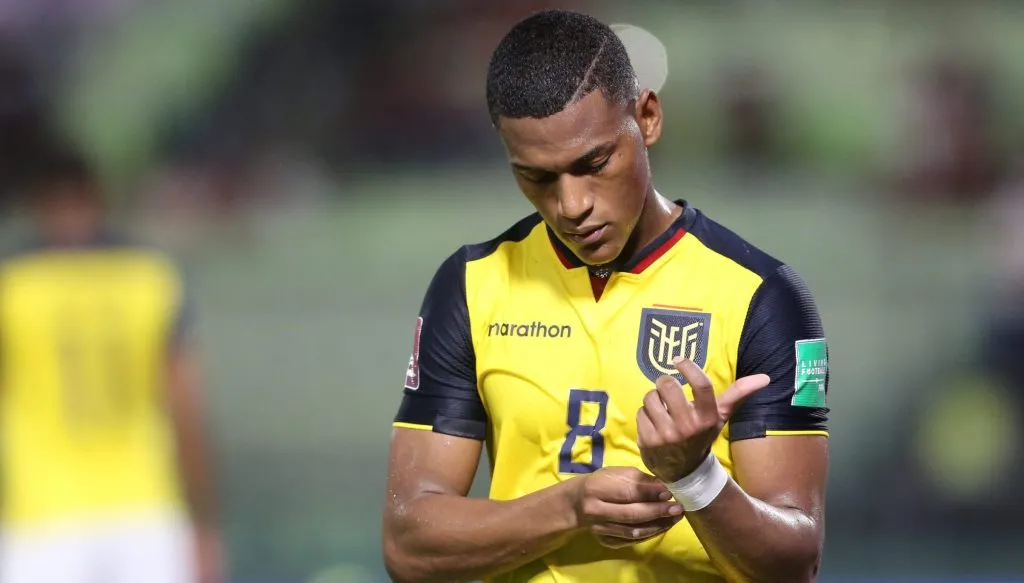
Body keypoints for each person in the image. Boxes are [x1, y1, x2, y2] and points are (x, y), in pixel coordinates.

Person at [382, 10, 829, 583]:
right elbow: (408, 547)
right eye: (537, 178)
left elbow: (796, 564)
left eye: (593, 164)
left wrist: (695, 475)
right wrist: (569, 508)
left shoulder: (761, 297)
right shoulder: (472, 286)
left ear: (646, 117)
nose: (572, 206)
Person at [0, 146, 225, 583]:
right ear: (99, 196)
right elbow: (187, 409)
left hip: (41, 515)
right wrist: (204, 525)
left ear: (35, 202)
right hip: (146, 511)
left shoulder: (13, 283)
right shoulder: (150, 277)